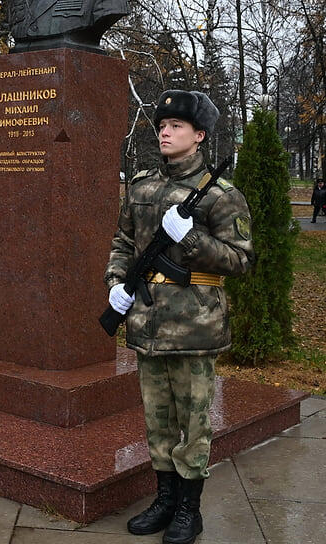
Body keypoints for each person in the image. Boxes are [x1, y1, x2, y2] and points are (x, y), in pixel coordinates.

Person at [104, 90, 254, 544]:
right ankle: (165, 500)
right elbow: (123, 243)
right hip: (147, 323)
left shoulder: (222, 196)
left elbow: (241, 261)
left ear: (199, 135)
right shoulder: (143, 186)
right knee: (158, 421)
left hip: (194, 327)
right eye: (162, 124)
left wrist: (191, 240)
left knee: (194, 424)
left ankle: (190, 510)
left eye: (176, 126)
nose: (164, 131)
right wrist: (115, 284)